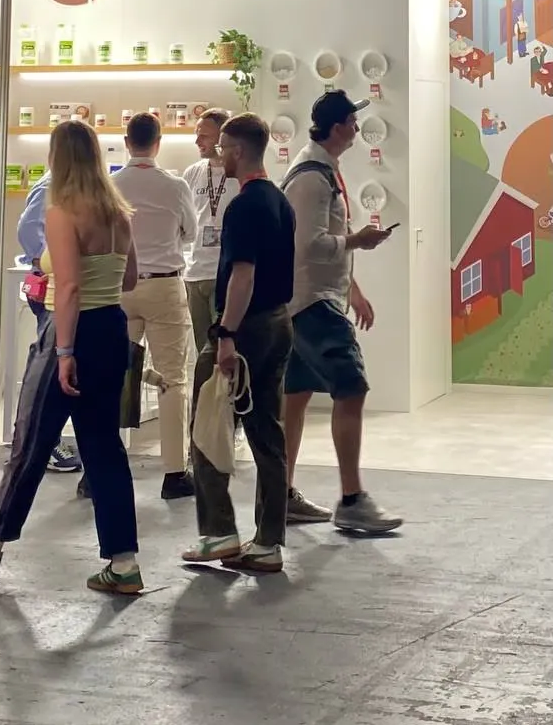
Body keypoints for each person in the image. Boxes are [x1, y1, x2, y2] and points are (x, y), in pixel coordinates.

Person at [0, 119, 143, 595]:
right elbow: (130, 280)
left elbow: (68, 287)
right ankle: (124, 562)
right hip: (111, 327)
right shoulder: (119, 213)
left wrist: (66, 350)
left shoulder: (62, 212)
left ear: (58, 157)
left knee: (30, 439)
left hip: (68, 332)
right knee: (103, 448)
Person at [280, 91, 401, 533]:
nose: (356, 129)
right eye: (353, 121)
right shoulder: (312, 178)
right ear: (338, 128)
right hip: (312, 303)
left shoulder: (319, 170)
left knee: (293, 399)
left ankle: (281, 493)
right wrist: (359, 241)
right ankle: (351, 499)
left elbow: (323, 238)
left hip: (309, 297)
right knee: (351, 387)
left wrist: (353, 288)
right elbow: (309, 244)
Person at [182, 113, 296, 574]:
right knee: (267, 431)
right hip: (277, 323)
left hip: (244, 328)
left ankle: (219, 532)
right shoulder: (280, 202)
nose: (217, 152)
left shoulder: (244, 206)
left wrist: (226, 334)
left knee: (206, 425)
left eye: (224, 145)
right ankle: (268, 541)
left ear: (240, 150)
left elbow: (243, 275)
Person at [112, 112, 198, 499]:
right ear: (158, 143)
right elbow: (192, 232)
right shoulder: (175, 185)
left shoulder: (111, 185)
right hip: (165, 288)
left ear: (127, 142)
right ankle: (174, 473)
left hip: (120, 288)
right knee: (173, 379)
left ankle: (104, 465)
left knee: (117, 377)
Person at [16, 170, 84, 475]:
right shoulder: (52, 186)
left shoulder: (68, 185)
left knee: (54, 372)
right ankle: (41, 444)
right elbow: (28, 228)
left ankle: (41, 442)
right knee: (46, 372)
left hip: (60, 290)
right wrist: (46, 259)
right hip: (50, 290)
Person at [183, 109, 239, 356]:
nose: (198, 142)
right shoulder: (192, 173)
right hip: (195, 274)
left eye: (204, 136)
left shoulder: (239, 174)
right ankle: (203, 396)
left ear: (222, 137)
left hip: (226, 273)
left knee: (227, 351)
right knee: (203, 353)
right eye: (197, 135)